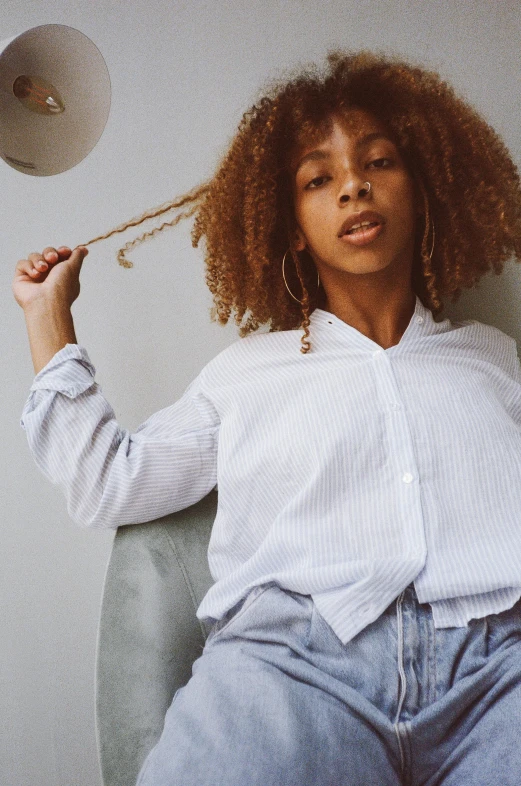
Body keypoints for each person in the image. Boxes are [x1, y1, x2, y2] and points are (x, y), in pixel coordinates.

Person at [12, 50, 521, 785]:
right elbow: (107, 484)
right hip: (295, 666)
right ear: (290, 227)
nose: (353, 186)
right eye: (319, 178)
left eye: (378, 161)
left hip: (498, 668)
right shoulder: (245, 373)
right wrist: (47, 319)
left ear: (425, 189)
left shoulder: (492, 361)